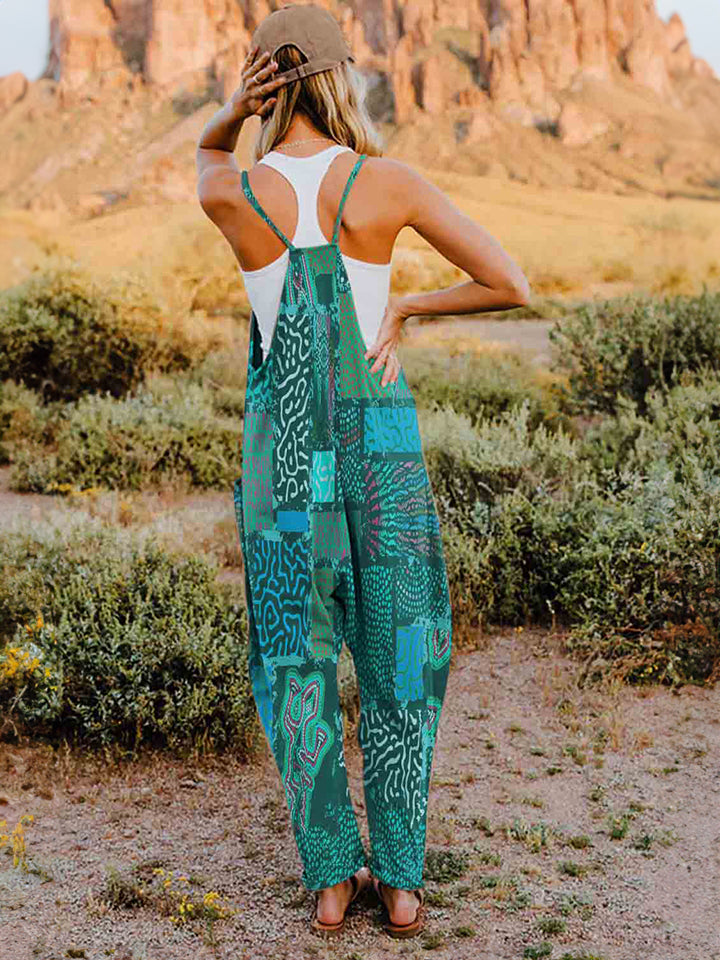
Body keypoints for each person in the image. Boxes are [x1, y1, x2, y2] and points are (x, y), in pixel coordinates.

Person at [196, 2, 530, 941]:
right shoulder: (387, 183)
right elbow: (512, 281)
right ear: (342, 77)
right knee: (401, 656)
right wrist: (411, 304)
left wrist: (232, 110)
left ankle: (333, 881)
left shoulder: (235, 192)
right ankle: (406, 882)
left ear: (267, 82)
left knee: (293, 665)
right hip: (381, 460)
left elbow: (204, 160)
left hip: (281, 467)